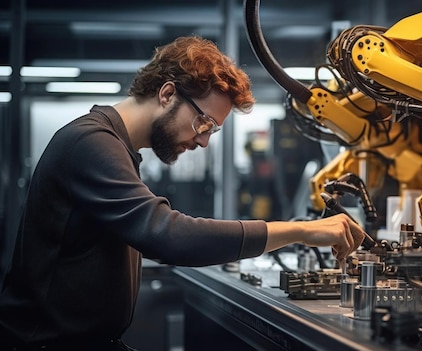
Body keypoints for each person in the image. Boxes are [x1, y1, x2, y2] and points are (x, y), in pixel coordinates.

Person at [0, 36, 366, 350]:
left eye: (212, 130)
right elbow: (167, 235)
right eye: (203, 122)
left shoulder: (117, 148)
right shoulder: (91, 143)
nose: (204, 140)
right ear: (167, 93)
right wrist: (299, 231)